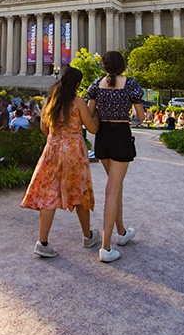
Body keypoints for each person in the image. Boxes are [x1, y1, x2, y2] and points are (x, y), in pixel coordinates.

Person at [21, 66, 99, 258]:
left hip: (53, 148)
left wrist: (56, 138)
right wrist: (94, 111)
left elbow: (43, 127)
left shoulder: (50, 100)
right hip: (74, 150)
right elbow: (93, 129)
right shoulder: (78, 102)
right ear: (78, 84)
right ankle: (88, 236)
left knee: (49, 195)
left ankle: (43, 242)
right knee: (80, 191)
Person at [85, 50, 146, 263]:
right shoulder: (130, 85)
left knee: (115, 186)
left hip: (102, 138)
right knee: (113, 190)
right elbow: (141, 116)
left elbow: (90, 114)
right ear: (122, 65)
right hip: (121, 136)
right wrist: (130, 117)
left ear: (103, 65)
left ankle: (121, 232)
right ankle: (105, 247)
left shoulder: (95, 85)